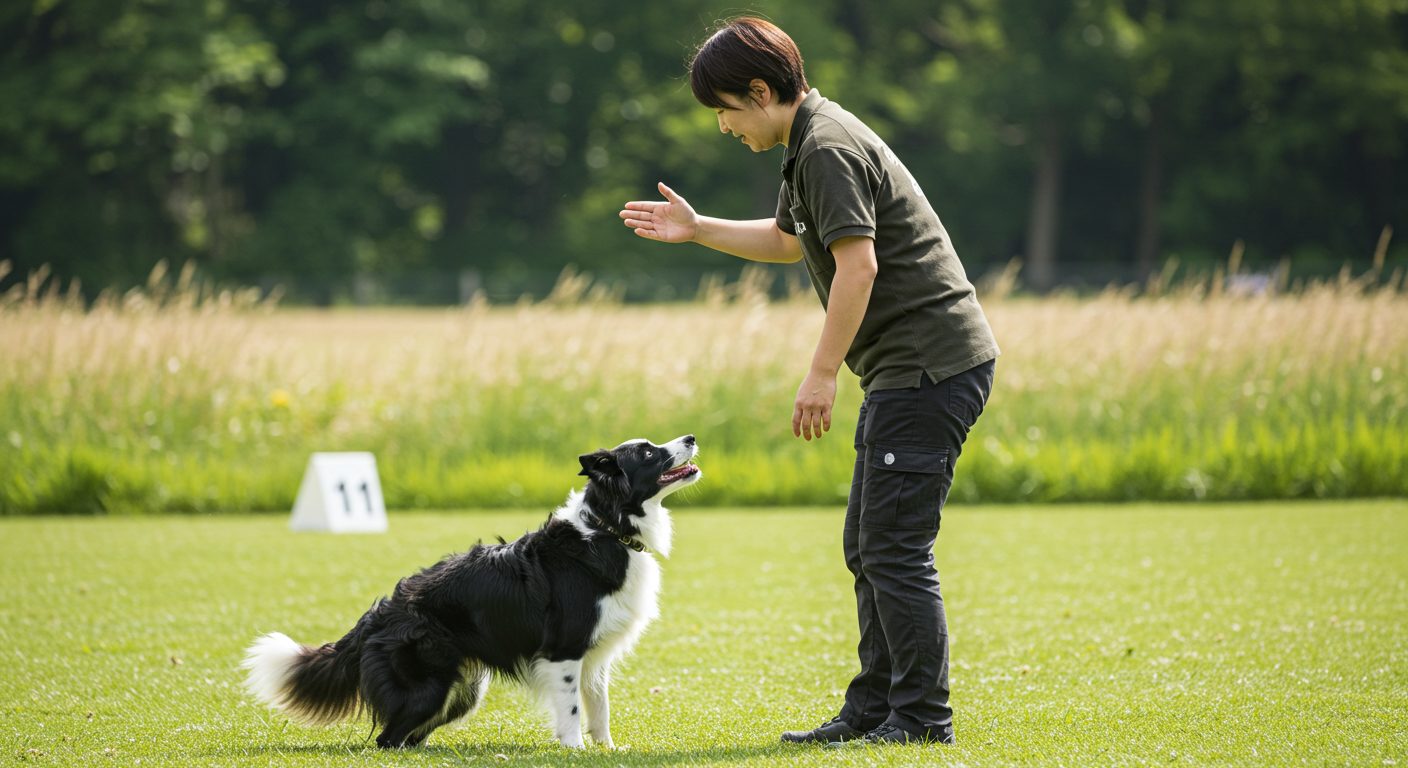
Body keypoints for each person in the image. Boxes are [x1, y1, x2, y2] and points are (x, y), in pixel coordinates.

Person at [619, 17, 999, 746]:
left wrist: (822, 373)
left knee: (893, 549)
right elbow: (793, 243)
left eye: (726, 109)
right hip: (913, 368)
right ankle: (873, 711)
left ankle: (920, 722)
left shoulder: (824, 148)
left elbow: (858, 267)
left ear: (760, 92)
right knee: (870, 545)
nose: (724, 125)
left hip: (928, 367)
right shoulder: (808, 144)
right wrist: (698, 229)